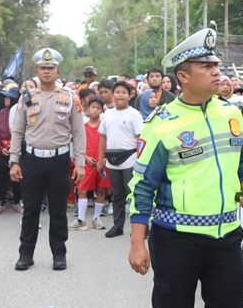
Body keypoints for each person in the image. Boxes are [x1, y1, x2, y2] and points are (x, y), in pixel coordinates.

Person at [127, 28, 243, 308]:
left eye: (216, 65)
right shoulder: (162, 123)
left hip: (225, 236)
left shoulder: (231, 113)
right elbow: (142, 187)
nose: (216, 71)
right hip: (176, 240)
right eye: (206, 66)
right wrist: (139, 243)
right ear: (183, 75)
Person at [9, 48, 86, 271]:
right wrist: (14, 160)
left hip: (59, 160)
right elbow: (18, 130)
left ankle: (59, 253)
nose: (46, 71)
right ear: (37, 70)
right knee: (30, 209)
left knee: (58, 209)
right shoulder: (27, 97)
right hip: (32, 160)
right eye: (43, 68)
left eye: (50, 68)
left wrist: (79, 163)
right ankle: (26, 253)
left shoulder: (70, 97)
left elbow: (79, 132)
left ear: (57, 70)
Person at [97, 81, 144, 238]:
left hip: (130, 158)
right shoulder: (107, 114)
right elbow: (102, 137)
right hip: (112, 159)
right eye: (117, 92)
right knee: (117, 195)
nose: (120, 95)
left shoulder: (134, 114)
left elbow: (140, 139)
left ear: (130, 95)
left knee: (133, 193)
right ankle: (118, 226)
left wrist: (140, 159)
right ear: (113, 94)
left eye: (124, 92)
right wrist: (100, 158)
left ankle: (141, 228)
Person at [70, 99, 110, 231]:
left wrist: (103, 159)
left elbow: (109, 144)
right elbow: (78, 145)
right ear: (87, 110)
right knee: (82, 190)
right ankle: (81, 219)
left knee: (101, 190)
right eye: (93, 107)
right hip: (86, 163)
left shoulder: (104, 127)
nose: (95, 110)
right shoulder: (83, 127)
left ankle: (97, 218)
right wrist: (85, 158)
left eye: (98, 108)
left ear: (102, 110)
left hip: (101, 163)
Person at [0, 85, 21, 215]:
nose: (6, 99)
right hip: (3, 150)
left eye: (8, 97)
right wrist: (0, 148)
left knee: (17, 177)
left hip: (17, 149)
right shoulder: (2, 113)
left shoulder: (21, 112)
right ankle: (1, 202)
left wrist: (14, 147)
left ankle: (18, 202)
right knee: (2, 177)